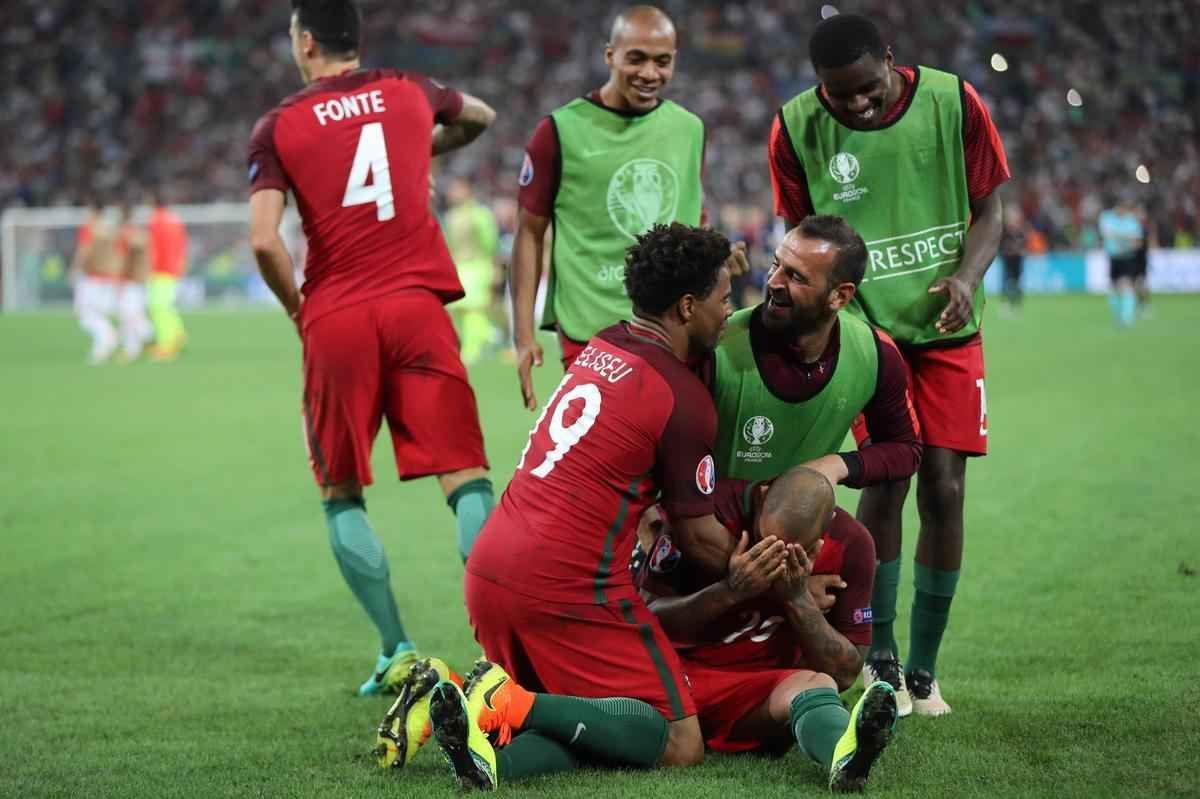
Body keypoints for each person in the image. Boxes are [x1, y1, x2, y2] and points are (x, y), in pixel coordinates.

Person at [418, 223, 742, 788]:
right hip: (565, 584)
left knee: (586, 722)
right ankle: (503, 699)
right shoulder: (682, 400)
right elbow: (698, 538)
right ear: (687, 307)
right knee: (676, 739)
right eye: (724, 299)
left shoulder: (605, 343)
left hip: (491, 570)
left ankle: (482, 746)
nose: (730, 311)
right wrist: (765, 578)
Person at [246, 0, 498, 696]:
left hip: (338, 317)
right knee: (466, 477)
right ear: (356, 40)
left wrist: (299, 307)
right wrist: (416, 150)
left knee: (340, 492)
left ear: (303, 42)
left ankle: (396, 649)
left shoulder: (279, 125)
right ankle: (505, 649)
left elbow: (265, 238)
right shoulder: (408, 89)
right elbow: (480, 116)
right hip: (418, 307)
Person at [768, 13, 1010, 716]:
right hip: (867, 335)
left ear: (891, 61)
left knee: (946, 489)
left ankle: (926, 671)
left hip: (947, 328)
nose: (856, 105)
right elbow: (802, 235)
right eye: (839, 95)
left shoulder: (954, 100)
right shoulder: (795, 126)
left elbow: (991, 209)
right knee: (886, 484)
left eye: (867, 90)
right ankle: (881, 660)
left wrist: (967, 277)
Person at [701, 213, 922, 712]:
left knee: (859, 545)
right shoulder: (719, 346)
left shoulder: (874, 353)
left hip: (797, 539)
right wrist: (785, 586)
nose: (773, 283)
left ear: (840, 296)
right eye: (777, 265)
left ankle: (883, 668)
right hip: (710, 534)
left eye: (796, 277)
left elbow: (905, 449)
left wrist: (836, 464)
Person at [639, 467, 896, 792]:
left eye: (788, 552)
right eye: (764, 541)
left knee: (819, 683)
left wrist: (797, 597)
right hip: (677, 677)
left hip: (756, 697)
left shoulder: (853, 543)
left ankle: (844, 757)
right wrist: (732, 590)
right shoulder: (707, 515)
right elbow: (646, 619)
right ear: (761, 497)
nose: (770, 556)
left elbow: (846, 672)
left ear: (818, 542)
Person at [510, 5, 707, 410]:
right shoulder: (559, 131)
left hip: (676, 327)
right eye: (636, 58)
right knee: (611, 459)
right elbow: (529, 233)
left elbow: (693, 215)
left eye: (662, 61)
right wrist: (523, 336)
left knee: (678, 462)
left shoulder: (690, 128)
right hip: (591, 327)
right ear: (609, 56)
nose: (650, 73)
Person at [442, 177, 500, 365]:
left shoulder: (480, 214)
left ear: (467, 190)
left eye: (457, 189)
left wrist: (494, 266)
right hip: (459, 266)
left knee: (473, 308)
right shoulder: (451, 216)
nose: (453, 193)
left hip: (477, 265)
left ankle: (471, 350)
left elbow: (490, 243)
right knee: (460, 309)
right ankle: (489, 334)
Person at [70, 200, 120, 365]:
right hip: (109, 277)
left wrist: (75, 268)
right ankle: (102, 346)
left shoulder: (89, 227)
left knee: (85, 314)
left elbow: (84, 250)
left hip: (92, 277)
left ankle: (107, 337)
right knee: (97, 313)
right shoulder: (110, 229)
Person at [146, 190, 190, 360]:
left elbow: (153, 248)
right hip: (174, 269)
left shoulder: (156, 220)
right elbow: (183, 244)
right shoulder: (175, 219)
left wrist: (149, 268)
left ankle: (166, 345)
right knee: (166, 305)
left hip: (160, 269)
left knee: (158, 307)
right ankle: (178, 333)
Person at [1098, 197, 1145, 328]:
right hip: (1113, 257)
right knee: (1113, 287)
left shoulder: (1131, 221)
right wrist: (1126, 237)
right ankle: (1117, 316)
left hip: (1127, 257)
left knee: (1126, 285)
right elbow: (1105, 234)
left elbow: (1137, 242)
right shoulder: (1107, 218)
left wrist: (1120, 238)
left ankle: (1127, 318)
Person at [1000, 205, 1026, 316]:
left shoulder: (1020, 232)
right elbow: (1001, 246)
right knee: (1007, 283)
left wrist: (1018, 250)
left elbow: (1023, 247)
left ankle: (1016, 305)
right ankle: (1006, 305)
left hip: (1018, 261)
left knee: (1017, 284)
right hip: (1008, 261)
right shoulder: (1005, 232)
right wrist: (1009, 249)